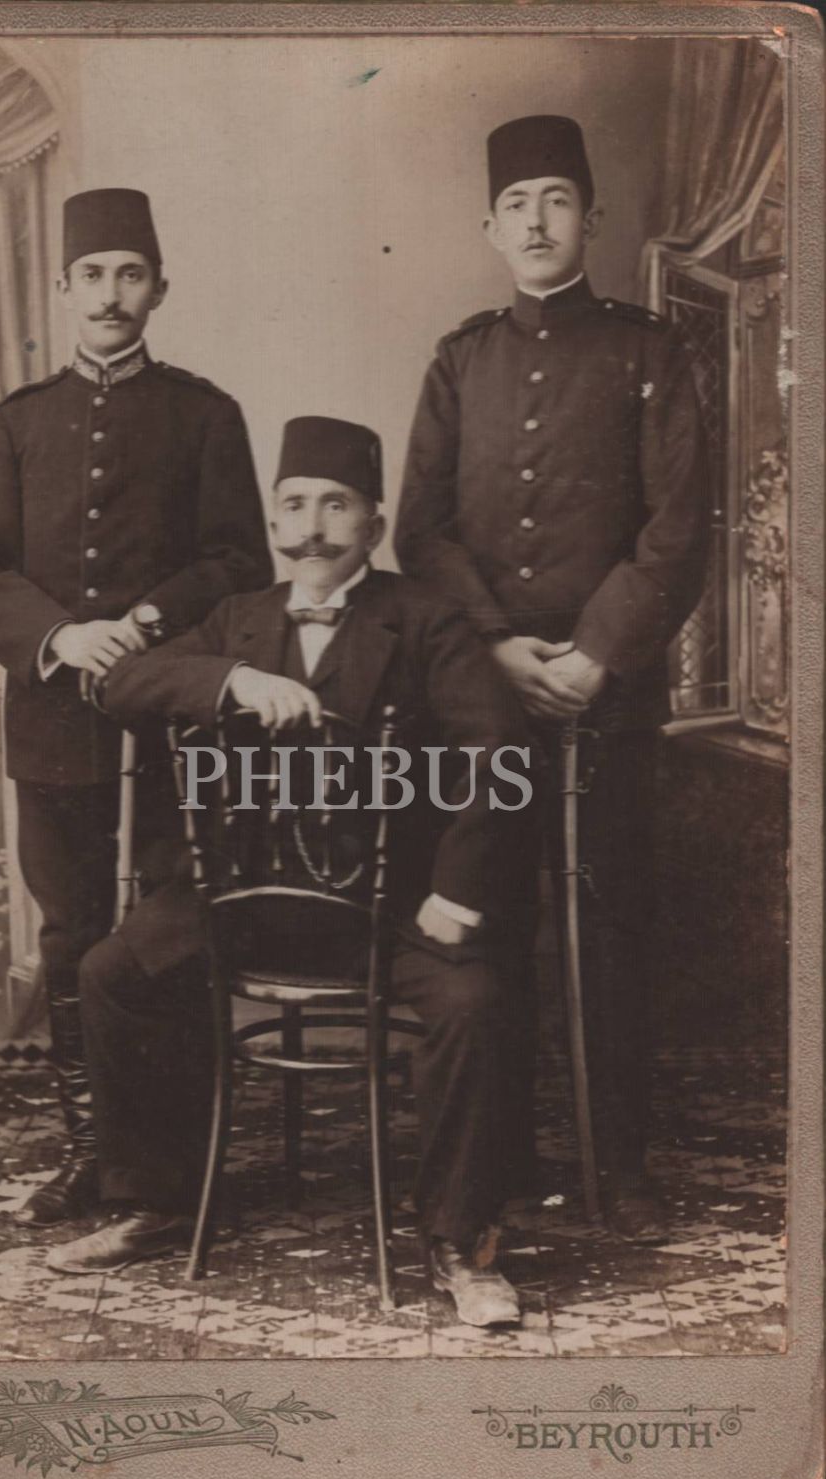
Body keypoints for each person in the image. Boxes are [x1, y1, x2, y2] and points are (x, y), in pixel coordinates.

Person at [46, 415, 538, 1328]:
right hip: (244, 898)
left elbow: (502, 754)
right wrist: (229, 680)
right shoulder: (236, 620)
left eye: (336, 505)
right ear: (274, 521)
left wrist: (456, 894)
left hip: (388, 903)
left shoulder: (425, 620)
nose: (313, 527)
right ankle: (158, 1200)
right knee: (111, 972)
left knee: (475, 1002)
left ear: (373, 523)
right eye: (296, 505)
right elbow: (119, 684)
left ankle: (459, 1240)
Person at [396, 116, 710, 1242]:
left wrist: (592, 652)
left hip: (606, 688)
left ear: (591, 219)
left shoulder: (648, 353)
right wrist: (490, 644)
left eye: (556, 200)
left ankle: (616, 1162)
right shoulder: (461, 359)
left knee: (608, 925)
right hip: (481, 697)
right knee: (487, 919)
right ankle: (507, 1155)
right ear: (490, 227)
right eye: (516, 204)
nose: (536, 221)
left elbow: (678, 527)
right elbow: (420, 529)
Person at [0, 188, 272, 1229]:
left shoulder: (205, 415)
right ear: (62, 287)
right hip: (52, 725)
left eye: (130, 274)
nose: (110, 294)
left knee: (167, 937)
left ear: (158, 289)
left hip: (172, 726)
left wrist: (144, 620)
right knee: (71, 936)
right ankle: (92, 1152)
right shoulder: (16, 422)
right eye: (92, 275)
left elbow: (238, 562)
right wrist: (60, 638)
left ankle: (177, 1162)